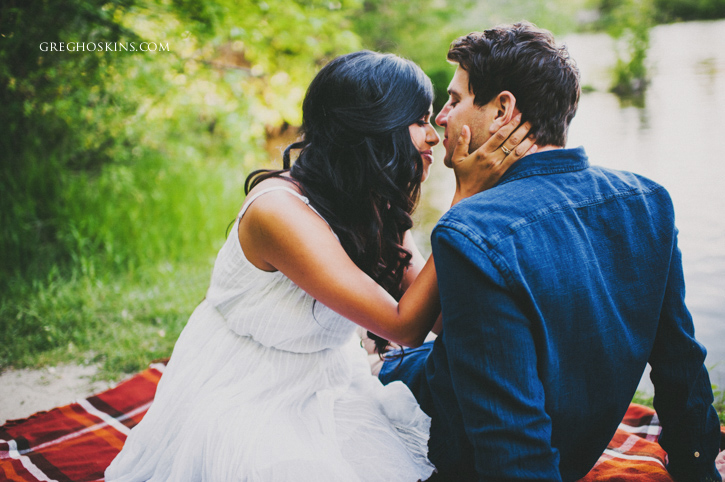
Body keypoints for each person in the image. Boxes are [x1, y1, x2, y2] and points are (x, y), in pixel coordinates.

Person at [104, 50, 535, 481]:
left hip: (327, 383)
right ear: (374, 125)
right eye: (420, 121)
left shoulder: (374, 203)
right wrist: (465, 204)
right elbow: (404, 327)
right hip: (248, 391)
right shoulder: (279, 213)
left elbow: (439, 318)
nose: (434, 136)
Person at [378, 23, 723, 482]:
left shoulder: (470, 231)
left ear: (502, 109)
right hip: (579, 443)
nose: (442, 118)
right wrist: (699, 471)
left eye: (455, 100)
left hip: (441, 441)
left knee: (358, 385)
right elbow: (682, 371)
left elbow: (510, 438)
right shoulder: (647, 198)